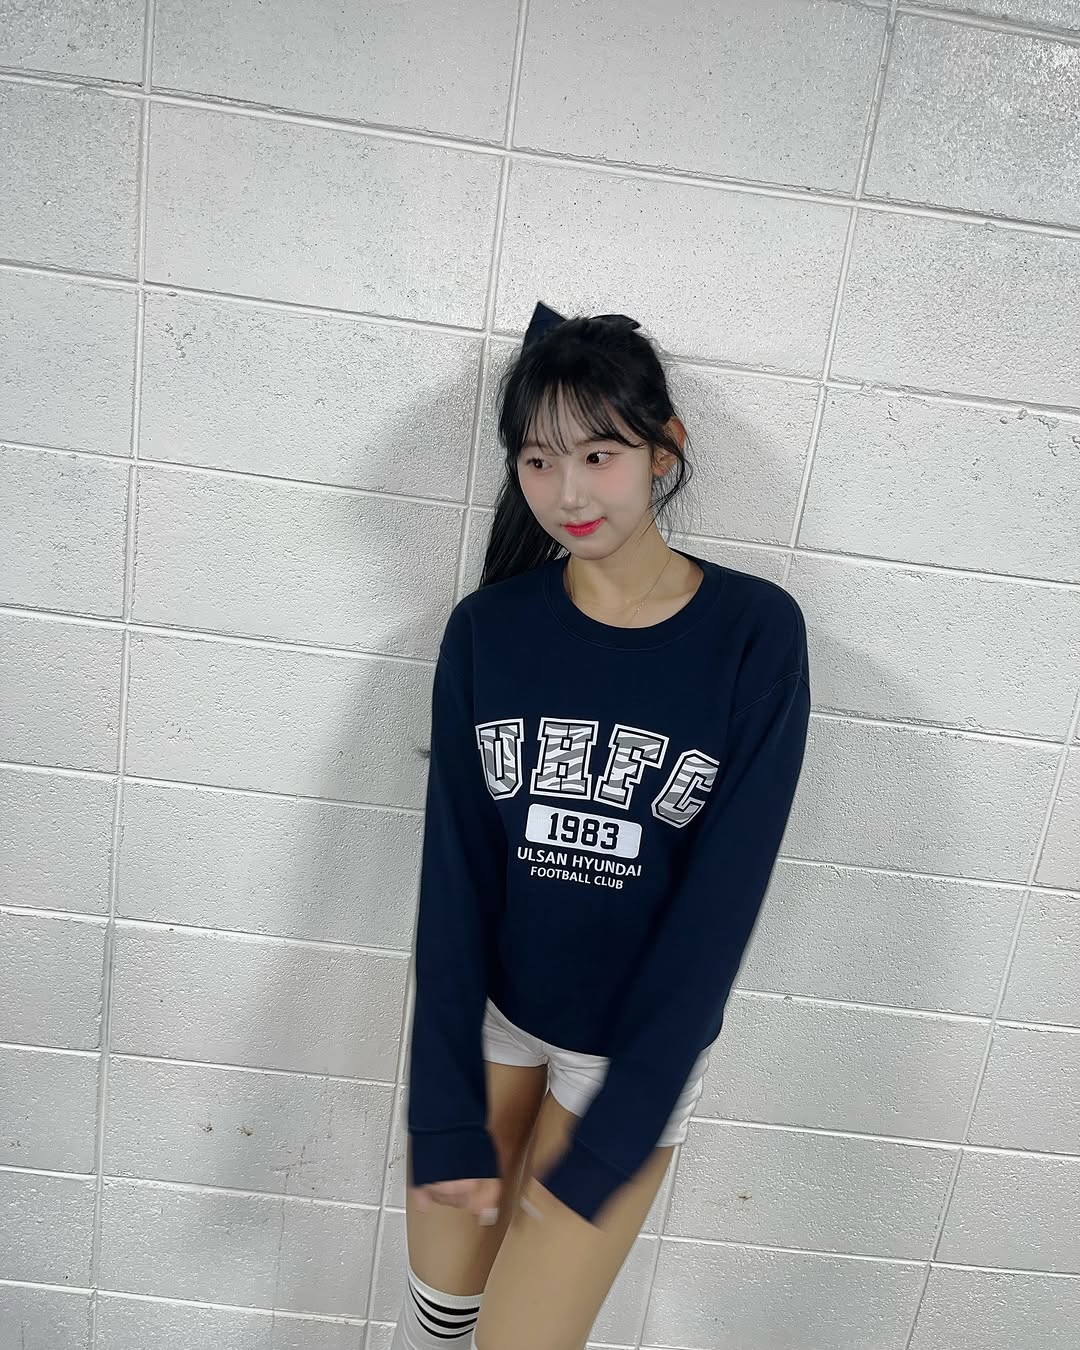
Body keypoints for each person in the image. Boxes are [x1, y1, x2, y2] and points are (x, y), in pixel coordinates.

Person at [390, 300, 811, 1350]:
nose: (568, 493)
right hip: (491, 1025)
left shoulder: (754, 635)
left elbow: (722, 903)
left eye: (599, 453)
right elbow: (455, 875)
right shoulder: (487, 632)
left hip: (629, 1054)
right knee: (441, 1313)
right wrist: (441, 1101)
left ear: (666, 450)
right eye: (538, 460)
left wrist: (621, 1127)